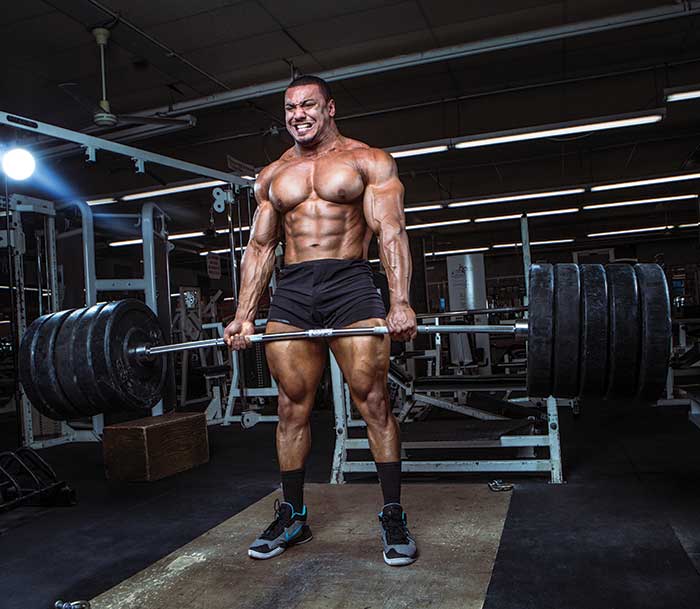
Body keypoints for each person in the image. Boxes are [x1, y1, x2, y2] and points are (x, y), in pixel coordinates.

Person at [223, 75, 418, 567]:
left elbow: (390, 230)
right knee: (291, 406)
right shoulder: (272, 175)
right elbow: (261, 247)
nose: (298, 114)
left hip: (350, 283)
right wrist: (244, 315)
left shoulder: (366, 160)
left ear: (329, 107)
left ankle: (392, 513)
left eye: (308, 104)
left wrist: (400, 302)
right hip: (293, 291)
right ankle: (293, 514)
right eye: (290, 107)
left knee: (373, 400)